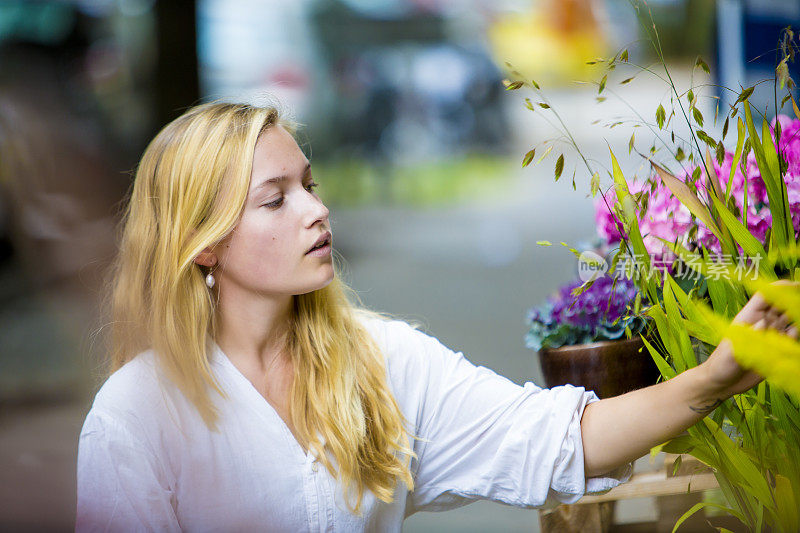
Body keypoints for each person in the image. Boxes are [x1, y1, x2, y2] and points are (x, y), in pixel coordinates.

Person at [76, 102, 794, 532]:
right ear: (204, 245)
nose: (317, 209)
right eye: (276, 199)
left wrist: (716, 378)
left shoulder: (380, 361)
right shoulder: (135, 415)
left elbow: (558, 438)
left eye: (310, 185)